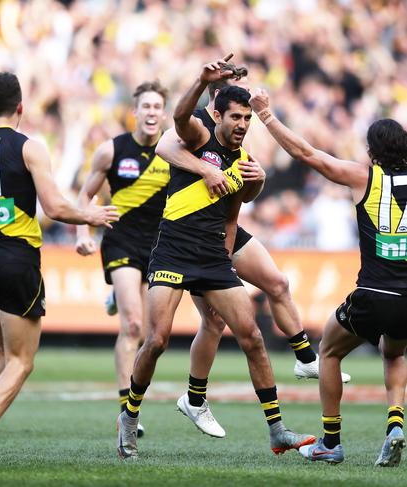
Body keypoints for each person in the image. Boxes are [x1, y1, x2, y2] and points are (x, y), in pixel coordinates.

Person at [116, 55, 316, 460]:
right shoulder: (197, 134)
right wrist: (199, 79)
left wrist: (251, 194)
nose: (243, 124)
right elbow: (180, 115)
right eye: (236, 117)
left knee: (253, 338)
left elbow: (231, 215)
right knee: (155, 340)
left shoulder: (242, 161)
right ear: (218, 115)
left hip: (210, 257)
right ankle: (128, 419)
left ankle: (277, 430)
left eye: (247, 118)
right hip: (172, 250)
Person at [0, 72, 118, 469]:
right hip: (17, 259)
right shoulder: (30, 148)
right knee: (21, 360)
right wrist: (89, 213)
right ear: (21, 106)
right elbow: (53, 208)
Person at [154, 75, 350, 438]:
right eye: (229, 83)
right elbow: (166, 146)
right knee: (212, 323)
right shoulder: (198, 118)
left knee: (277, 282)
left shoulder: (236, 135)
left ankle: (306, 358)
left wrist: (254, 182)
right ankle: (194, 398)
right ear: (215, 100)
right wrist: (207, 169)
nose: (242, 119)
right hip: (187, 230)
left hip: (220, 227)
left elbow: (233, 210)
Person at [250, 89, 407, 466]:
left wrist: (267, 116)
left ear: (371, 151)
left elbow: (307, 154)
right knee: (394, 351)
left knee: (329, 351)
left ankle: (331, 441)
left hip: (373, 291)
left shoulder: (361, 176)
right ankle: (395, 425)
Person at [75, 80, 170, 437]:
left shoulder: (173, 148)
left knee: (151, 336)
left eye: (156, 107)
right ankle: (125, 413)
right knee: (132, 325)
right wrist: (84, 233)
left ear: (164, 113)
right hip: (121, 241)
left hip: (160, 247)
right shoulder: (112, 150)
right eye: (145, 106)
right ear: (135, 112)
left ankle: (118, 292)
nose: (150, 112)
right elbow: (85, 196)